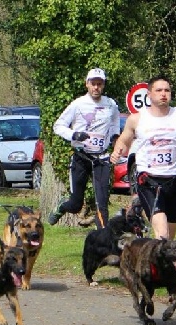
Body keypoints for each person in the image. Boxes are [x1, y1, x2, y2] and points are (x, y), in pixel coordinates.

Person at [111, 76, 176, 240]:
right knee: (162, 233)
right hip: (148, 181)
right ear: (149, 94)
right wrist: (117, 151)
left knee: (169, 239)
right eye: (159, 90)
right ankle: (155, 264)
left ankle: (153, 261)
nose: (164, 94)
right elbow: (123, 141)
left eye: (167, 90)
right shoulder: (137, 119)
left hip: (173, 181)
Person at [48, 68, 121, 229]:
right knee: (75, 204)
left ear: (103, 85)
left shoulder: (110, 104)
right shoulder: (78, 104)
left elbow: (115, 122)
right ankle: (62, 206)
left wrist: (115, 137)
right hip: (81, 157)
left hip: (101, 158)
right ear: (87, 84)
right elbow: (58, 126)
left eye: (99, 84)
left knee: (102, 202)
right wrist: (74, 135)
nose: (96, 88)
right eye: (93, 84)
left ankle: (103, 238)